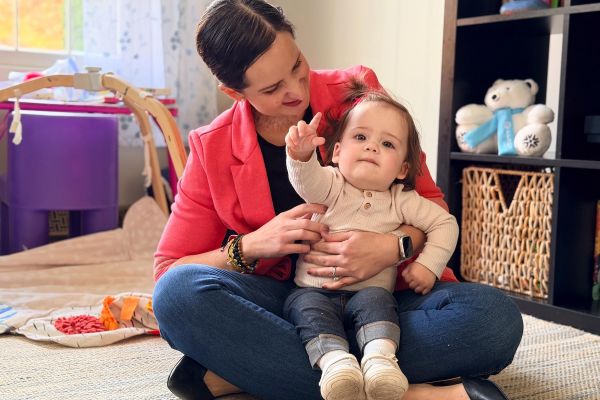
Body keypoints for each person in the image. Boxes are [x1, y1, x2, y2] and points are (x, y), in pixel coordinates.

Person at [152, 1, 523, 399]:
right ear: (234, 92)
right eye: (272, 88)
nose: (295, 90)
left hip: (387, 298)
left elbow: (431, 204)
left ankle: (249, 373)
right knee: (177, 296)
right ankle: (416, 392)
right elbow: (169, 268)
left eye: (297, 65)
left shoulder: (356, 92)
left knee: (495, 320)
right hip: (291, 302)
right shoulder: (213, 146)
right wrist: (251, 245)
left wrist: (390, 247)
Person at [283, 83, 460, 400]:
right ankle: (336, 365)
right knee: (302, 308)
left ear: (403, 168)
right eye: (360, 137)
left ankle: (380, 362)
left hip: (370, 293)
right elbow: (306, 181)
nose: (371, 147)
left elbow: (445, 223)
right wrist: (300, 155)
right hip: (314, 290)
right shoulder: (331, 184)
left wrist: (428, 266)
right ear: (336, 152)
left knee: (380, 303)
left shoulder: (401, 199)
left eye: (388, 144)